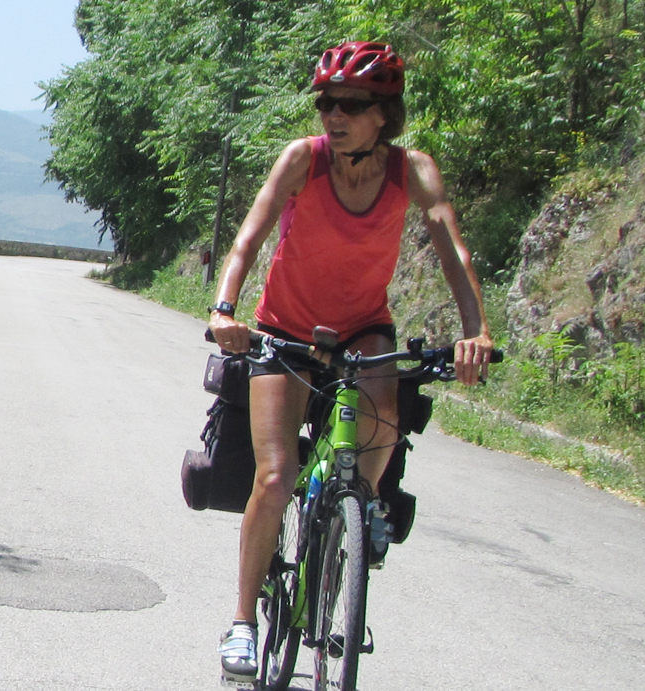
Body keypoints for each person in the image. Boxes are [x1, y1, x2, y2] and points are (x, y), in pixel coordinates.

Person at [206, 41, 495, 683]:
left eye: (351, 104)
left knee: (385, 405)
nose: (333, 115)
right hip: (284, 328)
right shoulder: (302, 161)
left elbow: (452, 248)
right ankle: (244, 623)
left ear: (384, 114)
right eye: (327, 102)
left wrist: (475, 330)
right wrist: (226, 309)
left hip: (363, 326)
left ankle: (356, 509)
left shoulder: (411, 171)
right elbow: (249, 236)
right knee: (276, 479)